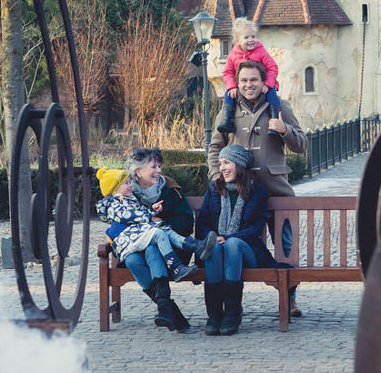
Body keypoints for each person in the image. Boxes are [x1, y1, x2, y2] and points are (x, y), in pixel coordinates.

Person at [208, 59, 308, 316]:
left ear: (264, 82)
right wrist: (216, 175)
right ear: (237, 83)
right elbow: (215, 148)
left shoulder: (279, 106)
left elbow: (302, 145)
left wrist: (285, 130)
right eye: (243, 80)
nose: (248, 85)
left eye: (253, 80)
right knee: (238, 246)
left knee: (286, 248)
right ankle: (232, 304)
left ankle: (290, 298)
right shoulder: (227, 110)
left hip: (276, 192)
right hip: (240, 195)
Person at [96, 168, 215, 332]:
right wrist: (150, 216)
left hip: (143, 240)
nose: (130, 185)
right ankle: (168, 304)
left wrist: (152, 211)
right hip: (130, 244)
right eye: (126, 183)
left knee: (156, 242)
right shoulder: (114, 202)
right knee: (135, 259)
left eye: (129, 182)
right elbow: (130, 216)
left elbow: (142, 213)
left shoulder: (133, 197)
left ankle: (166, 309)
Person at [195, 145, 277, 336]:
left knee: (231, 244)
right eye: (220, 163)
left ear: (240, 165)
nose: (222, 168)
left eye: (227, 163)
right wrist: (216, 238)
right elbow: (203, 224)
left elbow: (254, 230)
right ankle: (214, 315)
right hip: (217, 249)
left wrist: (228, 237)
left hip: (246, 250)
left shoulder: (257, 192)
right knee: (213, 247)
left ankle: (232, 313)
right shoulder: (214, 189)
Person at [218, 18, 282, 136]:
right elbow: (227, 72)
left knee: (272, 93)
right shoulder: (233, 55)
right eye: (246, 38)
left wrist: (268, 83)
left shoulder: (260, 51)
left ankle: (274, 121)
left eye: (253, 37)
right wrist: (232, 86)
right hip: (242, 86)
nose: (251, 40)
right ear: (237, 41)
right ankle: (228, 120)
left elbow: (272, 67)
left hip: (263, 83)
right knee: (228, 94)